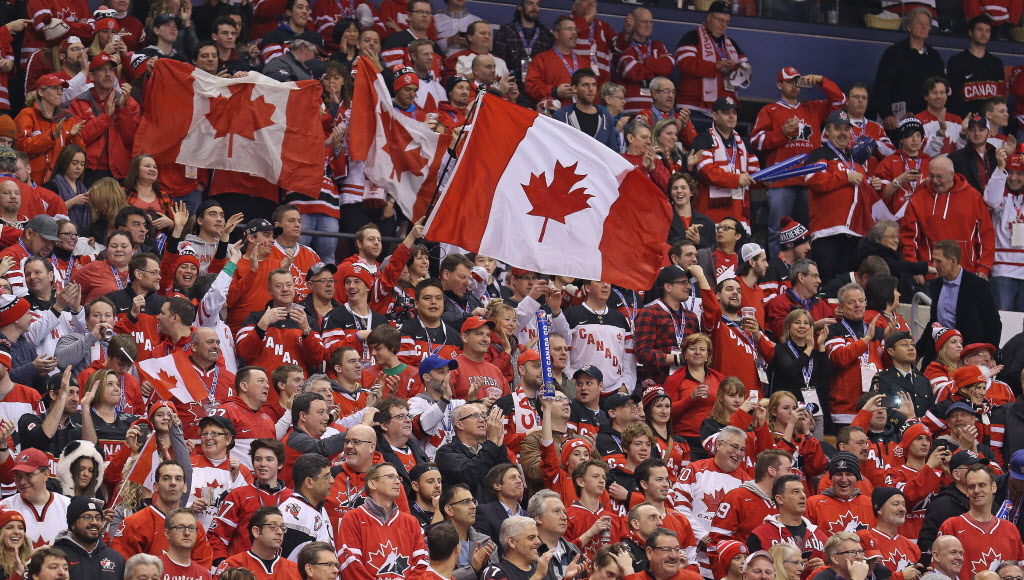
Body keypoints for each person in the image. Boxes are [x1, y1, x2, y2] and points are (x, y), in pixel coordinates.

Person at [751, 68, 846, 257]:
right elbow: (756, 141)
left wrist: (821, 80)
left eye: (797, 81)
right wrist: (782, 133)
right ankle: (778, 272)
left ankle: (808, 271)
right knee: (777, 231)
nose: (794, 85)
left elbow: (840, 101)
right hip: (781, 182)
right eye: (789, 82)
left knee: (812, 231)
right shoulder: (769, 110)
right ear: (780, 85)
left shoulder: (813, 108)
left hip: (811, 180)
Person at [671, 426, 751, 577]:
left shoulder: (747, 483)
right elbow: (679, 506)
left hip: (728, 567)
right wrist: (703, 536)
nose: (738, 453)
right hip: (692, 560)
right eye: (734, 446)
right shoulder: (695, 469)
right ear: (719, 444)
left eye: (742, 450)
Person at [901, 157, 996, 280]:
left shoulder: (973, 197)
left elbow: (985, 235)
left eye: (939, 177)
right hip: (931, 275)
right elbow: (908, 238)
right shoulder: (917, 200)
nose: (935, 181)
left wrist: (984, 267)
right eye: (932, 176)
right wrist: (914, 267)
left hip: (967, 274)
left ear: (952, 175)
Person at [689, 264, 774, 397]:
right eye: (729, 289)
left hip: (754, 396)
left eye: (739, 291)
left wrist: (757, 332)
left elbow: (770, 354)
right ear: (717, 295)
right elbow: (712, 309)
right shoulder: (716, 324)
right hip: (727, 397)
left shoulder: (751, 325)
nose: (735, 292)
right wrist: (701, 277)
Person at [208, 438, 292, 564]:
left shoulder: (293, 498)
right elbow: (217, 536)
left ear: (280, 464)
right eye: (258, 459)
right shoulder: (238, 495)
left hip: (281, 572)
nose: (262, 464)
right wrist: (222, 565)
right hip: (242, 572)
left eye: (269, 459)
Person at [939, 465, 1024, 580]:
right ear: (966, 491)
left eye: (982, 485)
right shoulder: (952, 526)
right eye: (971, 487)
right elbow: (940, 572)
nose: (977, 491)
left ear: (993, 487)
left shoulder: (1010, 529)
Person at [918, 241, 1001, 356]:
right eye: (934, 260)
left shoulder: (977, 285)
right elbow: (934, 321)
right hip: (938, 353)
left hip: (967, 354)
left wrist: (990, 355)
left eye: (939, 261)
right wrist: (918, 352)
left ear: (953, 261)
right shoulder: (936, 285)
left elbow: (993, 324)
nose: (934, 265)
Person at [872, 8, 945, 133]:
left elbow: (941, 88)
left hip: (927, 121)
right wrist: (886, 114)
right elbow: (882, 85)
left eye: (927, 25)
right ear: (909, 27)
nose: (924, 27)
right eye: (919, 23)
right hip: (897, 120)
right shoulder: (894, 53)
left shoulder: (934, 57)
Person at [674, 2, 750, 119]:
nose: (723, 25)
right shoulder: (691, 37)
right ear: (709, 18)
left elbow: (746, 71)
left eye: (726, 21)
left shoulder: (732, 44)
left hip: (723, 113)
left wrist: (738, 71)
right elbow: (684, 64)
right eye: (720, 20)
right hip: (693, 108)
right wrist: (715, 66)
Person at [692, 97, 758, 225]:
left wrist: (765, 182)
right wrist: (736, 179)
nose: (731, 116)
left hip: (740, 217)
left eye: (734, 112)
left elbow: (753, 175)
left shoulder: (744, 142)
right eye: (726, 112)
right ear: (714, 115)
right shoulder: (703, 139)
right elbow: (707, 172)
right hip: (711, 216)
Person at [825, 284, 885, 427]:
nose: (858, 305)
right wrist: (865, 340)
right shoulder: (834, 330)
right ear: (840, 307)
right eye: (851, 302)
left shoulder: (876, 331)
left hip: (875, 408)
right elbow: (840, 358)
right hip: (845, 411)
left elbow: (884, 363)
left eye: (861, 301)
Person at [634, 265, 698, 385]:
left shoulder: (691, 317)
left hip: (687, 382)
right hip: (659, 384)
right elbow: (643, 353)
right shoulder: (649, 313)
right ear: (668, 287)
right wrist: (676, 359)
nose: (688, 287)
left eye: (688, 282)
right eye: (683, 282)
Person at [748, 474, 828, 561]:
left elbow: (833, 570)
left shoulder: (819, 535)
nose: (803, 496)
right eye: (795, 492)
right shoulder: (761, 535)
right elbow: (753, 570)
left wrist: (822, 569)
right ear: (780, 499)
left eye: (804, 492)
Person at [983, 151, 1024, 311]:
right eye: (1010, 172)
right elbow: (990, 200)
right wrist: (1000, 168)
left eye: (1019, 173)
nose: (1013, 178)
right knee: (1004, 323)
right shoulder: (1002, 197)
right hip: (1003, 271)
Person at [492, 0, 553, 105]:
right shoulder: (506, 31)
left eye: (537, 4)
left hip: (538, 92)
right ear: (520, 7)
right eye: (530, 3)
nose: (534, 7)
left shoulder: (546, 35)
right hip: (512, 91)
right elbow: (499, 63)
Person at [217, 507, 299, 580]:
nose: (280, 532)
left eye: (282, 527)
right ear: (256, 531)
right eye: (273, 527)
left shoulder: (295, 569)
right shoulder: (232, 566)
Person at [946, 17, 1005, 117]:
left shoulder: (996, 63)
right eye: (979, 29)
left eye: (987, 31)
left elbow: (1000, 98)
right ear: (970, 32)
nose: (984, 34)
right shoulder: (956, 61)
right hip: (964, 121)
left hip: (989, 122)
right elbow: (954, 98)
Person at [523, 16, 590, 105]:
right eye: (569, 29)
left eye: (575, 29)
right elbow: (530, 87)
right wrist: (555, 91)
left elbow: (593, 93)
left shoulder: (584, 63)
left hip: (581, 115)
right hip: (553, 115)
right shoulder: (541, 59)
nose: (574, 33)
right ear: (557, 34)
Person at [280, 454, 334, 561]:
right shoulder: (292, 515)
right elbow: (286, 564)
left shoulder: (318, 506)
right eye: (326, 477)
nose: (332, 480)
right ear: (309, 482)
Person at [806, 451, 876, 534]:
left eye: (849, 474)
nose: (844, 480)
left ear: (857, 478)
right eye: (838, 474)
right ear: (831, 478)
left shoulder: (871, 506)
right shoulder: (813, 504)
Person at [764, 259, 835, 340]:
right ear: (801, 277)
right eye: (815, 276)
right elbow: (782, 335)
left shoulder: (820, 304)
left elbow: (834, 333)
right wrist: (815, 327)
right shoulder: (780, 302)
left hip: (819, 352)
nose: (819, 281)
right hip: (792, 352)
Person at [553, 68, 620, 152]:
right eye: (585, 85)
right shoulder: (562, 116)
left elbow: (613, 150)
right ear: (574, 88)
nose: (591, 89)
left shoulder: (605, 115)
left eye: (593, 85)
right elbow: (556, 148)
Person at [481, 516, 552, 580]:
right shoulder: (494, 572)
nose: (538, 542)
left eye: (537, 537)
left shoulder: (541, 569)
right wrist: (537, 576)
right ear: (512, 542)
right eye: (531, 537)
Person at [948, 114, 1001, 195]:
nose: (976, 133)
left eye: (981, 129)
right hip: (968, 204)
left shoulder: (996, 156)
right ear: (967, 132)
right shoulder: (955, 158)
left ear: (989, 133)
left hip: (994, 206)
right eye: (972, 130)